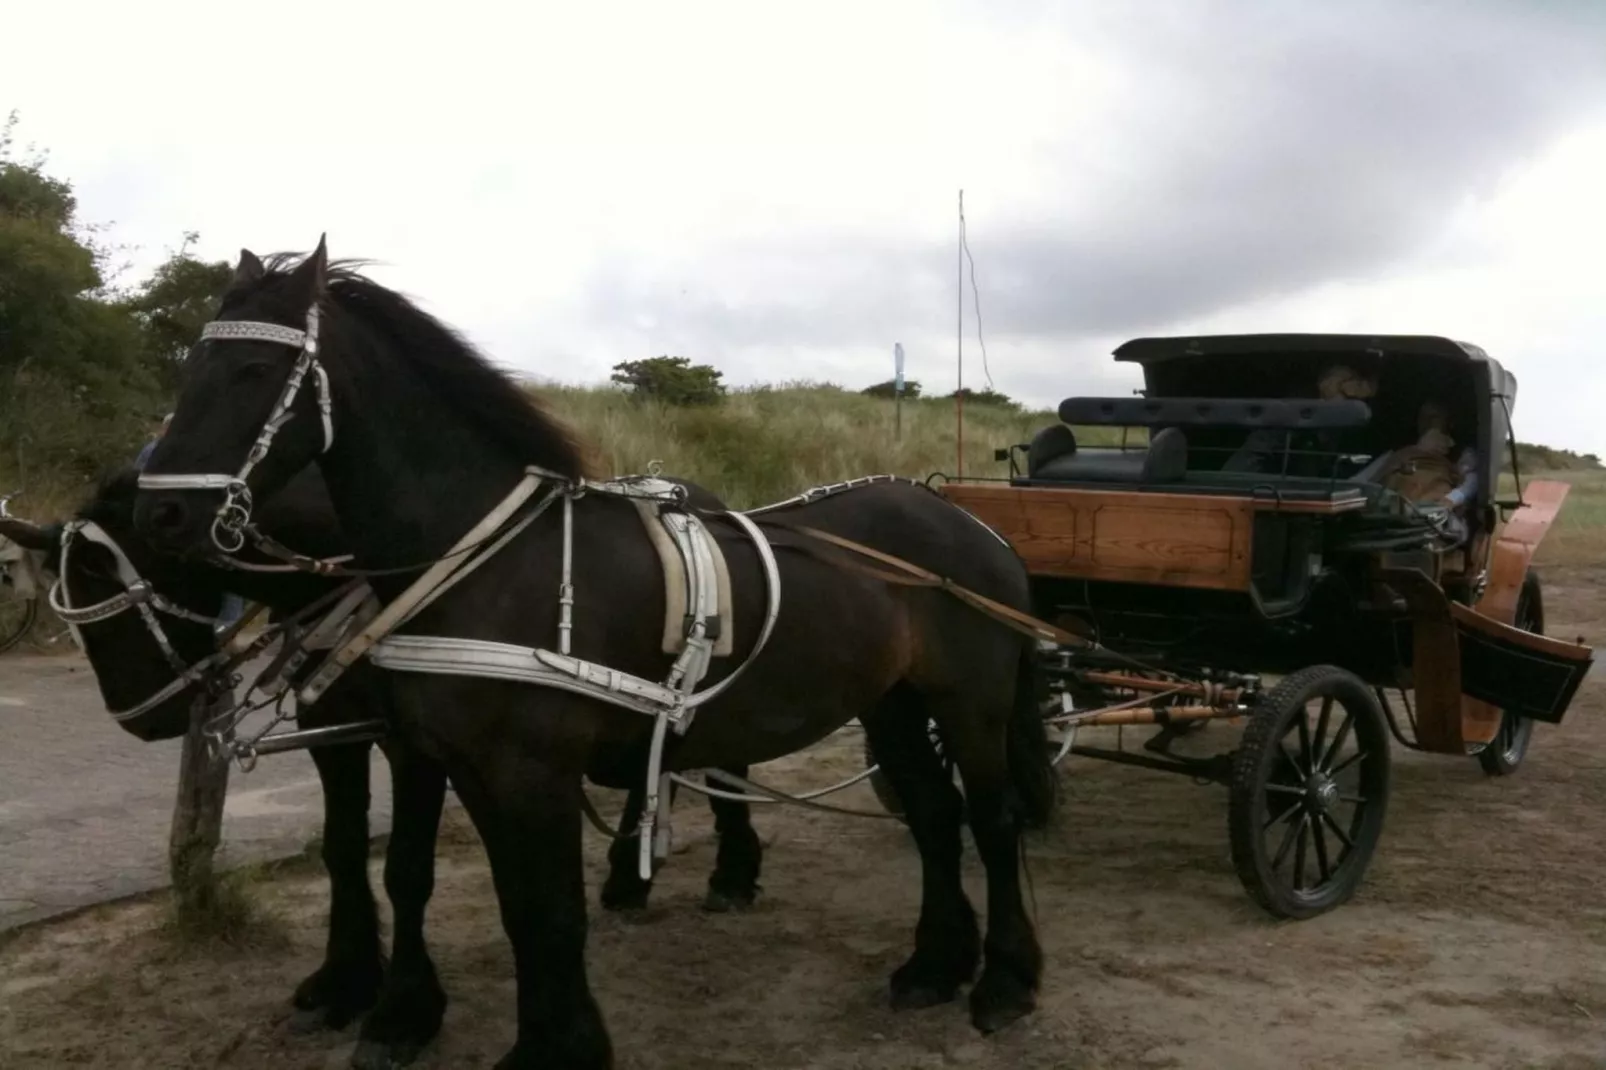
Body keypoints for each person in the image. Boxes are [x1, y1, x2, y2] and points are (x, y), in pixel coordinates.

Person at [134, 413, 246, 634]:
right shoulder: (196, 450)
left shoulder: (159, 450)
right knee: (226, 569)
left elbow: (135, 482)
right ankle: (227, 626)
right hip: (194, 522)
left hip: (174, 523)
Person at [1221, 362, 1377, 473]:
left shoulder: (1364, 432)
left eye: (1360, 400)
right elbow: (1234, 474)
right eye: (1343, 391)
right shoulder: (1283, 427)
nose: (1354, 403)